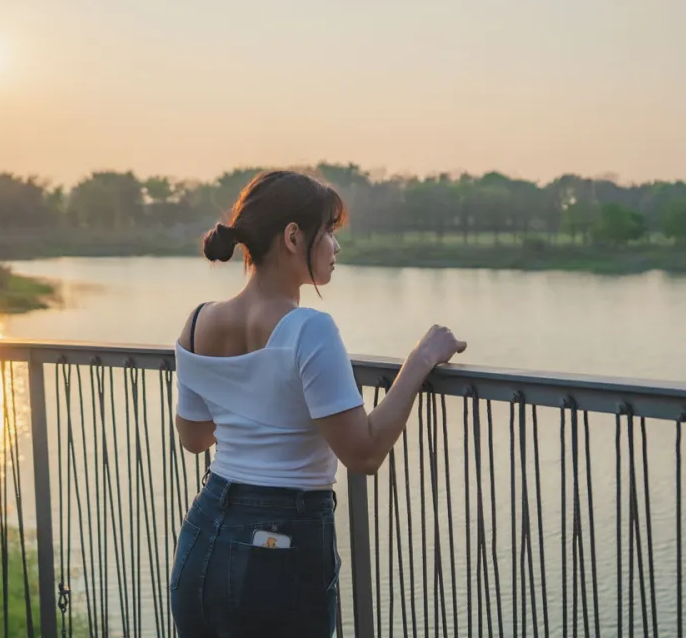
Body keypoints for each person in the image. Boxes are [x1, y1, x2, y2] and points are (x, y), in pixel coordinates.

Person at [168, 169, 467, 638]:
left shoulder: (198, 322)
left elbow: (194, 437)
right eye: (328, 232)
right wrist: (420, 360)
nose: (335, 246)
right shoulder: (309, 329)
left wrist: (250, 404)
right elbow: (363, 453)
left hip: (204, 536)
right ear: (292, 237)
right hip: (280, 547)